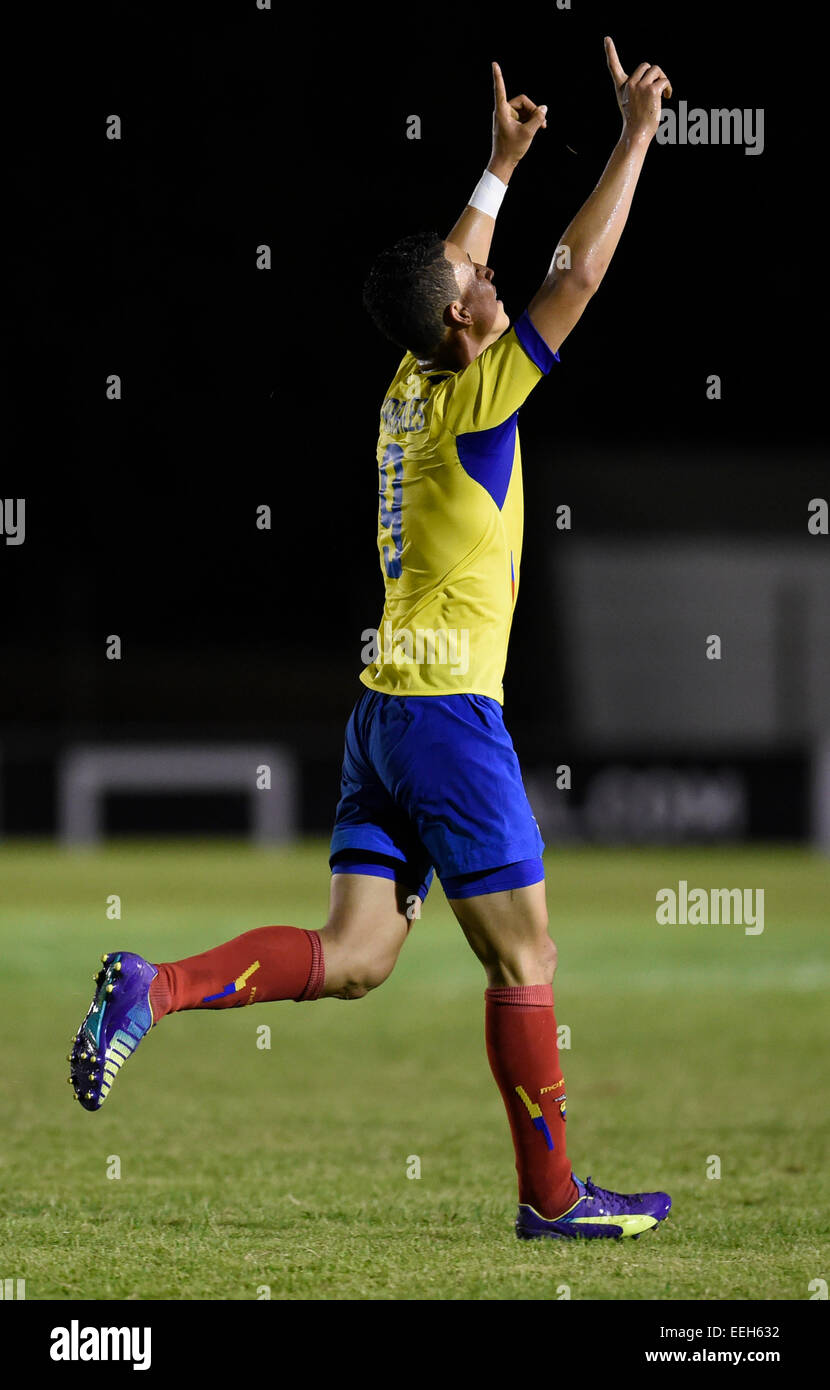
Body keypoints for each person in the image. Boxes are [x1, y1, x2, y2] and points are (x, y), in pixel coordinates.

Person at [69, 37, 673, 1241]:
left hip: (381, 716)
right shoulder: (476, 390)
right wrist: (634, 136)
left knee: (356, 957)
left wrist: (498, 166)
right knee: (526, 956)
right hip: (448, 718)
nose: (487, 286)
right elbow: (579, 274)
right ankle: (551, 1201)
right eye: (476, 292)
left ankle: (158, 984)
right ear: (462, 324)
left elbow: (458, 273)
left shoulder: (410, 385)